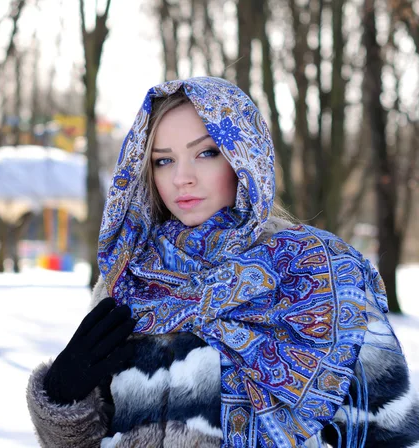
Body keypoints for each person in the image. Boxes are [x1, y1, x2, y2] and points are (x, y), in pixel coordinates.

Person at [27, 77, 419, 447]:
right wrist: (63, 399)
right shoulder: (129, 279)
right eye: (163, 160)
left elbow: (388, 431)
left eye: (206, 152)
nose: (183, 177)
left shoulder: (321, 272)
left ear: (244, 156)